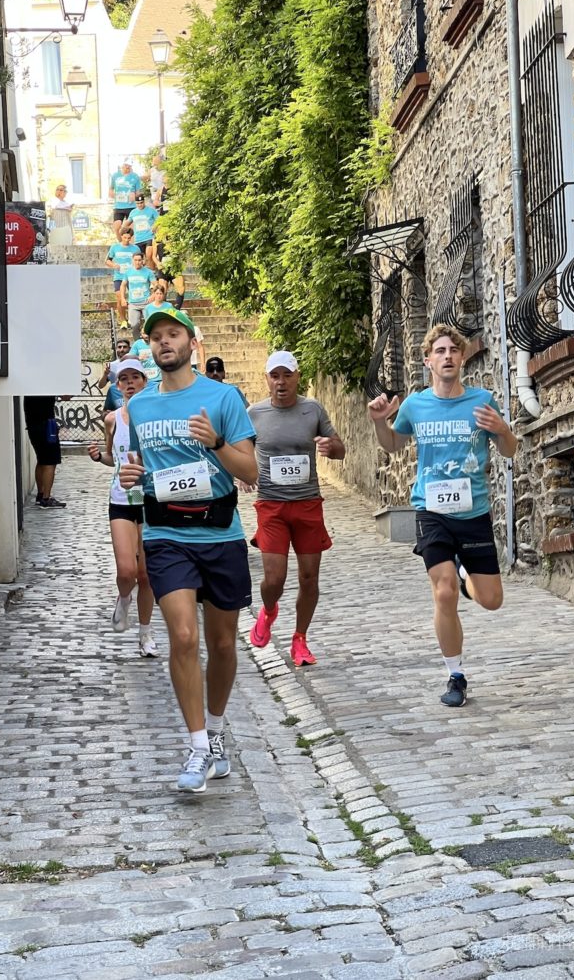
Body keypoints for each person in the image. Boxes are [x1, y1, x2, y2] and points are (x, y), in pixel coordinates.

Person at [119, 307, 257, 794]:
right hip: (165, 534)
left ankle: (216, 732)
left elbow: (251, 473)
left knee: (221, 644)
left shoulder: (222, 398)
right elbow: (137, 466)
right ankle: (197, 746)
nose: (163, 342)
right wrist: (129, 477)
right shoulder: (138, 407)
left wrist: (216, 441)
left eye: (172, 334)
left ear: (190, 342)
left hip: (219, 533)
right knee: (181, 636)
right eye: (155, 337)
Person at [367, 324, 518, 708]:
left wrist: (502, 429)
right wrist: (379, 422)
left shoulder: (482, 401)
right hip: (431, 510)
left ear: (462, 358)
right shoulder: (416, 405)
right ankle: (455, 674)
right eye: (440, 350)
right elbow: (394, 446)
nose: (447, 356)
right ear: (428, 359)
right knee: (443, 589)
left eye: (454, 350)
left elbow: (509, 450)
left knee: (492, 600)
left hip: (474, 512)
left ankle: (469, 577)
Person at [246, 351, 345, 666]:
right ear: (267, 380)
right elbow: (241, 451)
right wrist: (242, 474)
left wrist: (331, 448)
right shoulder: (254, 413)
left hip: (307, 505)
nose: (281, 382)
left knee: (308, 578)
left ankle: (300, 639)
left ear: (297, 376)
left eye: (286, 375)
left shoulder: (311, 409)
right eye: (274, 376)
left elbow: (340, 447)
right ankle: (270, 610)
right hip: (271, 506)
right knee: (274, 579)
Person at [88, 360, 157, 657]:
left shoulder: (156, 417)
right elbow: (112, 459)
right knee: (127, 571)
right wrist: (98, 456)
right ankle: (123, 597)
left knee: (146, 575)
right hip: (121, 500)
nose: (129, 383)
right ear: (117, 386)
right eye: (124, 379)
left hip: (151, 500)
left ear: (145, 381)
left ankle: (145, 635)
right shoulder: (112, 419)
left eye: (135, 377)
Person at [23, 395, 71, 508]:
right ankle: (46, 498)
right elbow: (66, 396)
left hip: (32, 426)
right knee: (50, 462)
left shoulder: (30, 389)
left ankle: (41, 495)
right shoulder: (47, 386)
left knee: (42, 460)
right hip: (46, 426)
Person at [106, 227, 138, 330]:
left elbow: (141, 261)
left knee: (134, 298)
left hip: (132, 276)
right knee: (120, 297)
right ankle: (123, 320)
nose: (126, 240)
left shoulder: (135, 248)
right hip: (119, 276)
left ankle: (132, 319)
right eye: (125, 238)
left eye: (129, 238)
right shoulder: (114, 247)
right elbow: (107, 261)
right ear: (121, 236)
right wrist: (114, 265)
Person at [122, 251, 157, 337]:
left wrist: (153, 295)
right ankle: (137, 343)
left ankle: (149, 343)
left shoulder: (148, 272)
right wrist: (122, 298)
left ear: (143, 261)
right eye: (135, 260)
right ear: (132, 261)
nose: (137, 262)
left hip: (146, 302)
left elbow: (156, 284)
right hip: (133, 303)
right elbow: (123, 285)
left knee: (150, 324)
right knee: (134, 325)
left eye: (139, 260)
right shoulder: (128, 272)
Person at [109, 161, 142, 238]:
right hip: (118, 206)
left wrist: (134, 196)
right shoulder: (115, 176)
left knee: (131, 230)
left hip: (131, 206)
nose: (127, 168)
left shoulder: (135, 177)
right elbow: (110, 190)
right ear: (122, 166)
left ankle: (131, 247)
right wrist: (113, 195)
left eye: (129, 166)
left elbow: (138, 193)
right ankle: (121, 244)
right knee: (117, 227)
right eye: (125, 166)